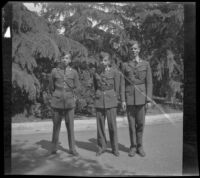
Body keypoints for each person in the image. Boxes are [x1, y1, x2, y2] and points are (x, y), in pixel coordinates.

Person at [121, 40, 153, 157]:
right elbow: (123, 84)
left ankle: (140, 146)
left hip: (142, 98)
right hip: (129, 98)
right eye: (131, 49)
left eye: (135, 49)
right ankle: (133, 147)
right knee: (131, 124)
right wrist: (123, 100)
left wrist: (148, 100)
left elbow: (149, 83)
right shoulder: (125, 65)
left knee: (140, 124)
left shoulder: (146, 64)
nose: (133, 51)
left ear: (139, 50)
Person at [48, 52, 80, 156]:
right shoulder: (54, 71)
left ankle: (72, 149)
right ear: (61, 59)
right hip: (57, 102)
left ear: (70, 60)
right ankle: (54, 148)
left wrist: (74, 97)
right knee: (56, 126)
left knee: (70, 126)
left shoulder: (74, 72)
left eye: (67, 58)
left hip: (69, 103)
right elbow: (51, 87)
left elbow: (77, 86)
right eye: (63, 58)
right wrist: (56, 95)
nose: (64, 60)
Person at [93, 52, 123, 157]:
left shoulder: (114, 72)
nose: (102, 62)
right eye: (101, 60)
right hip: (99, 100)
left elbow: (117, 88)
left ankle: (115, 148)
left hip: (111, 100)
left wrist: (116, 99)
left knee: (112, 125)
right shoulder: (96, 72)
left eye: (105, 60)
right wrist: (96, 96)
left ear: (109, 61)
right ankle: (102, 147)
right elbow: (94, 86)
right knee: (100, 126)